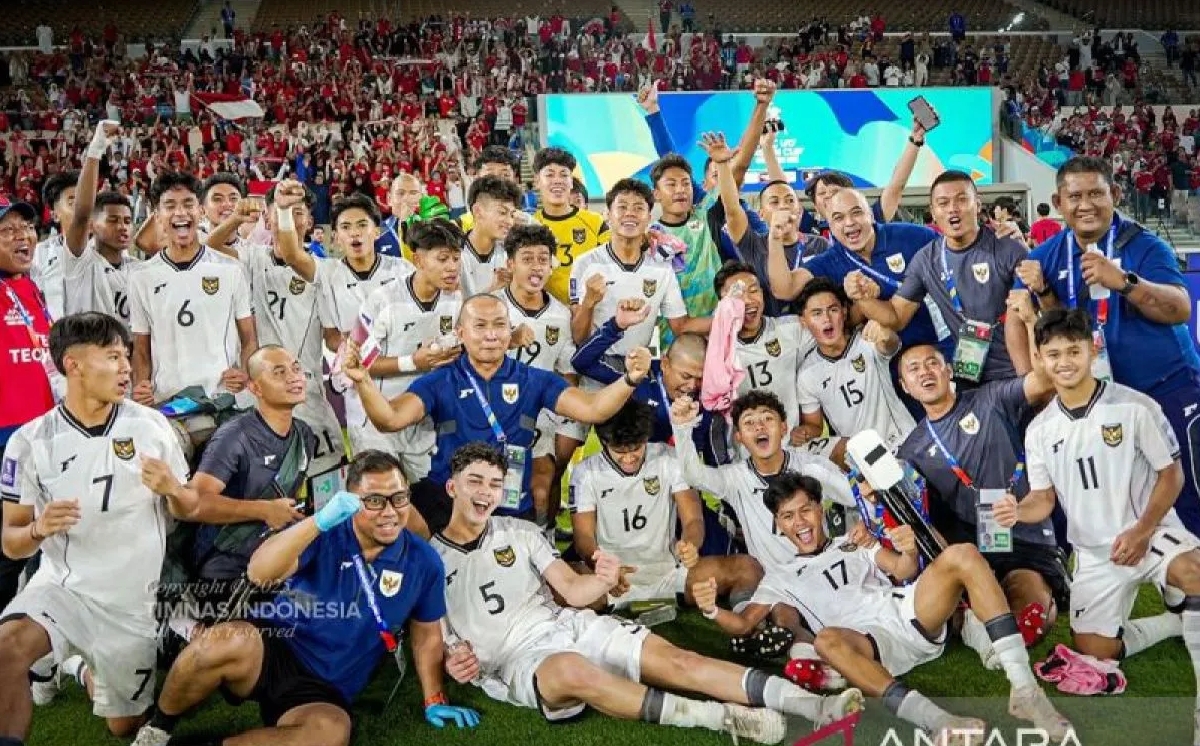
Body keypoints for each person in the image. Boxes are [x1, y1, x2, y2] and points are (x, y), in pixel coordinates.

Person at [436, 443, 862, 742]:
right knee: (571, 670)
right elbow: (428, 635)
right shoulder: (430, 558)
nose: (485, 493)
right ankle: (721, 718)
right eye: (475, 481)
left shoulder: (521, 532)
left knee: (682, 660)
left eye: (494, 484)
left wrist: (602, 580)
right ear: (452, 487)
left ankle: (813, 706)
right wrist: (450, 661)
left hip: (567, 625)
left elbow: (573, 590)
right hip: (516, 659)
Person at [131, 450, 479, 746]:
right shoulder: (325, 531)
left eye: (398, 498)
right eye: (374, 501)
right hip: (274, 650)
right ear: (351, 500)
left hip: (325, 688)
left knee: (330, 734)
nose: (389, 511)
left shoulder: (424, 561)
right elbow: (259, 573)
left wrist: (434, 698)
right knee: (219, 641)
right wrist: (319, 522)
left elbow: (426, 635)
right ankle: (157, 730)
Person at [694, 472, 1073, 743]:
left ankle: (1025, 691)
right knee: (826, 640)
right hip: (867, 645)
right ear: (778, 525)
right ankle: (937, 721)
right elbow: (743, 625)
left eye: (805, 510)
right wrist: (713, 611)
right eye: (788, 516)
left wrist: (907, 549)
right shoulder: (780, 577)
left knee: (964, 554)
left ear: (821, 510)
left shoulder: (854, 541)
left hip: (909, 616)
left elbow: (903, 570)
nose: (800, 522)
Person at [997, 308, 1200, 741]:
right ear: (1040, 359)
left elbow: (1172, 475)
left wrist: (1142, 530)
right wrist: (1017, 511)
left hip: (1150, 533)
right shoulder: (1040, 430)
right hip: (1093, 553)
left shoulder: (1134, 406)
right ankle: (1174, 621)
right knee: (1096, 650)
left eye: (1073, 351)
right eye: (1054, 354)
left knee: (1193, 571)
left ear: (1092, 349)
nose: (1064, 362)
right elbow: (1042, 499)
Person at [0, 312, 197, 742]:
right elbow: (11, 544)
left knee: (124, 727)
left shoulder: (152, 426)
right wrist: (36, 530)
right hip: (64, 589)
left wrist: (174, 491)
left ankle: (75, 666)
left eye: (126, 356)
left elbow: (190, 507)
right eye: (113, 357)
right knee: (6, 649)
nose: (127, 367)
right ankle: (48, 654)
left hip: (131, 606)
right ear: (73, 365)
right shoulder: (28, 442)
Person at [345, 294, 652, 534]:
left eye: (499, 325)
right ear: (461, 333)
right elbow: (390, 420)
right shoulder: (440, 380)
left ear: (510, 331)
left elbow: (592, 409)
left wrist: (630, 379)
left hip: (509, 502)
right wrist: (363, 381)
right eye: (480, 326)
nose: (491, 335)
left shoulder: (533, 379)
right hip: (449, 501)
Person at [1008, 156, 1200, 536]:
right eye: (1075, 196)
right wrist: (1032, 379)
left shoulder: (1145, 246)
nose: (1086, 205)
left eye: (1096, 194)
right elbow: (1018, 319)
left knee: (1187, 494)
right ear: (1058, 202)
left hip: (1167, 388)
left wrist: (1125, 282)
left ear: (1114, 194)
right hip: (1101, 403)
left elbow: (1180, 309)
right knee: (1118, 500)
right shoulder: (1044, 257)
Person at [895, 292, 1068, 655]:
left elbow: (1043, 381)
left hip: (1024, 536)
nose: (925, 371)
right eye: (914, 369)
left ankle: (1005, 610)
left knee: (1032, 616)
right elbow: (925, 521)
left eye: (932, 363)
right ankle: (973, 613)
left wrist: (1030, 320)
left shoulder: (990, 399)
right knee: (944, 617)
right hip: (973, 550)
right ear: (905, 386)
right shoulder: (911, 451)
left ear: (948, 370)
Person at [570, 400, 762, 609]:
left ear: (646, 438)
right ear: (603, 442)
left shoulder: (669, 458)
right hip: (611, 578)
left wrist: (691, 545)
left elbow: (693, 519)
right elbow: (583, 537)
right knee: (558, 582)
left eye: (636, 448)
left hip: (670, 574)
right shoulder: (586, 472)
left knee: (747, 567)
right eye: (619, 451)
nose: (629, 458)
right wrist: (602, 569)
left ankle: (747, 618)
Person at [179, 344, 320, 627]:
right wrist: (264, 510)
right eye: (279, 372)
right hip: (226, 569)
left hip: (275, 557)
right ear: (255, 388)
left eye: (295, 368)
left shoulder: (304, 435)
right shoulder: (234, 436)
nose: (294, 377)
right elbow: (194, 504)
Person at [849, 170, 1027, 384]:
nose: (953, 209)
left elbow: (1036, 311)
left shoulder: (1008, 247)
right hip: (969, 378)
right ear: (933, 212)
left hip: (1017, 371)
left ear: (978, 205)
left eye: (962, 200)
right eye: (943, 203)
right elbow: (896, 316)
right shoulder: (926, 260)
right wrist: (862, 297)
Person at [127, 172, 258, 443]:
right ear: (157, 216)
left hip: (220, 400)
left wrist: (245, 371)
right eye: (170, 205)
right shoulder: (141, 277)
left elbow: (249, 338)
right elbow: (141, 348)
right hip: (167, 405)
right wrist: (141, 385)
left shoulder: (231, 269)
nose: (180, 213)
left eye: (188, 204)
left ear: (200, 211)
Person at [670, 390, 852, 573]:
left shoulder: (811, 467)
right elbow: (693, 475)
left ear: (784, 428)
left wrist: (862, 528)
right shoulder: (735, 479)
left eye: (768, 418)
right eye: (749, 422)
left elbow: (857, 498)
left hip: (824, 571)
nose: (759, 427)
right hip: (775, 583)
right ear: (739, 437)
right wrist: (682, 428)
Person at [354, 218, 463, 479]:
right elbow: (357, 362)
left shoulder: (456, 299)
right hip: (379, 422)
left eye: (456, 258)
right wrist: (413, 362)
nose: (452, 267)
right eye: (443, 259)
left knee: (427, 496)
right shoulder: (382, 300)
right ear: (419, 260)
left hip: (426, 421)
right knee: (379, 495)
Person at [497, 224, 577, 530]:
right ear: (510, 264)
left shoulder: (561, 315)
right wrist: (507, 340)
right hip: (492, 413)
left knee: (541, 491)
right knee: (502, 491)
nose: (536, 267)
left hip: (537, 416)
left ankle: (544, 540)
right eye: (527, 259)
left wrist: (560, 414)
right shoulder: (492, 306)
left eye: (543, 259)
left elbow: (567, 372)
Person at [0, 196, 56, 610]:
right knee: (6, 553)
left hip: (43, 435)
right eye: (7, 231)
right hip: (6, 441)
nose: (23, 237)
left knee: (41, 542)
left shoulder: (30, 286)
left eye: (26, 228)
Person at [793, 279, 914, 466]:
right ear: (804, 321)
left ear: (844, 312)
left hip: (904, 442)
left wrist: (885, 334)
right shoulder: (806, 375)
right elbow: (815, 427)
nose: (827, 319)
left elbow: (891, 344)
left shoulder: (867, 340)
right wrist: (804, 433)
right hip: (866, 460)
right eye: (817, 313)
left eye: (833, 310)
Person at [714, 262, 813, 433]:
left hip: (793, 442)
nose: (747, 300)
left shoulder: (793, 329)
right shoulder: (715, 350)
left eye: (753, 291)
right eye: (737, 295)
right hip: (742, 447)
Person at [530, 148, 610, 304]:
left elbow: (613, 262)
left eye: (564, 175)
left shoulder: (595, 222)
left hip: (591, 308)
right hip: (547, 312)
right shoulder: (531, 226)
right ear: (537, 181)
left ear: (571, 181)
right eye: (550, 175)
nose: (557, 181)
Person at [460, 176, 521, 295]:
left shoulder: (511, 251)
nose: (510, 221)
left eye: (512, 215)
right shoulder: (454, 253)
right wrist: (492, 290)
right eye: (502, 212)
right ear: (477, 211)